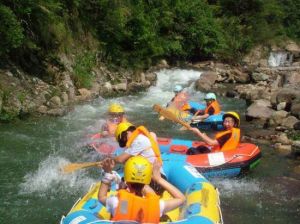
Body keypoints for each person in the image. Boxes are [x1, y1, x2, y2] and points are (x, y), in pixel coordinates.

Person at [98, 156, 185, 223]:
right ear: (147, 182)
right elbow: (181, 199)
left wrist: (107, 173)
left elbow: (101, 197)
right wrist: (159, 179)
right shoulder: (157, 205)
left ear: (126, 181)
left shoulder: (119, 203)